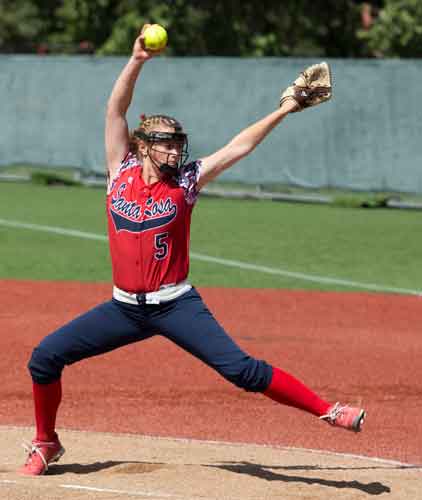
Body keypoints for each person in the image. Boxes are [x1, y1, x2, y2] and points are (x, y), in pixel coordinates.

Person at [20, 25, 365, 476]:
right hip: (123, 309)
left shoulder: (186, 181)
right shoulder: (118, 169)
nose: (174, 150)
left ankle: (327, 410)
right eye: (165, 142)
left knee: (243, 372)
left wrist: (287, 107)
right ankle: (47, 442)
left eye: (177, 143)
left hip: (175, 305)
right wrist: (137, 61)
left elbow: (240, 146)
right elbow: (115, 109)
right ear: (142, 146)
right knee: (44, 358)